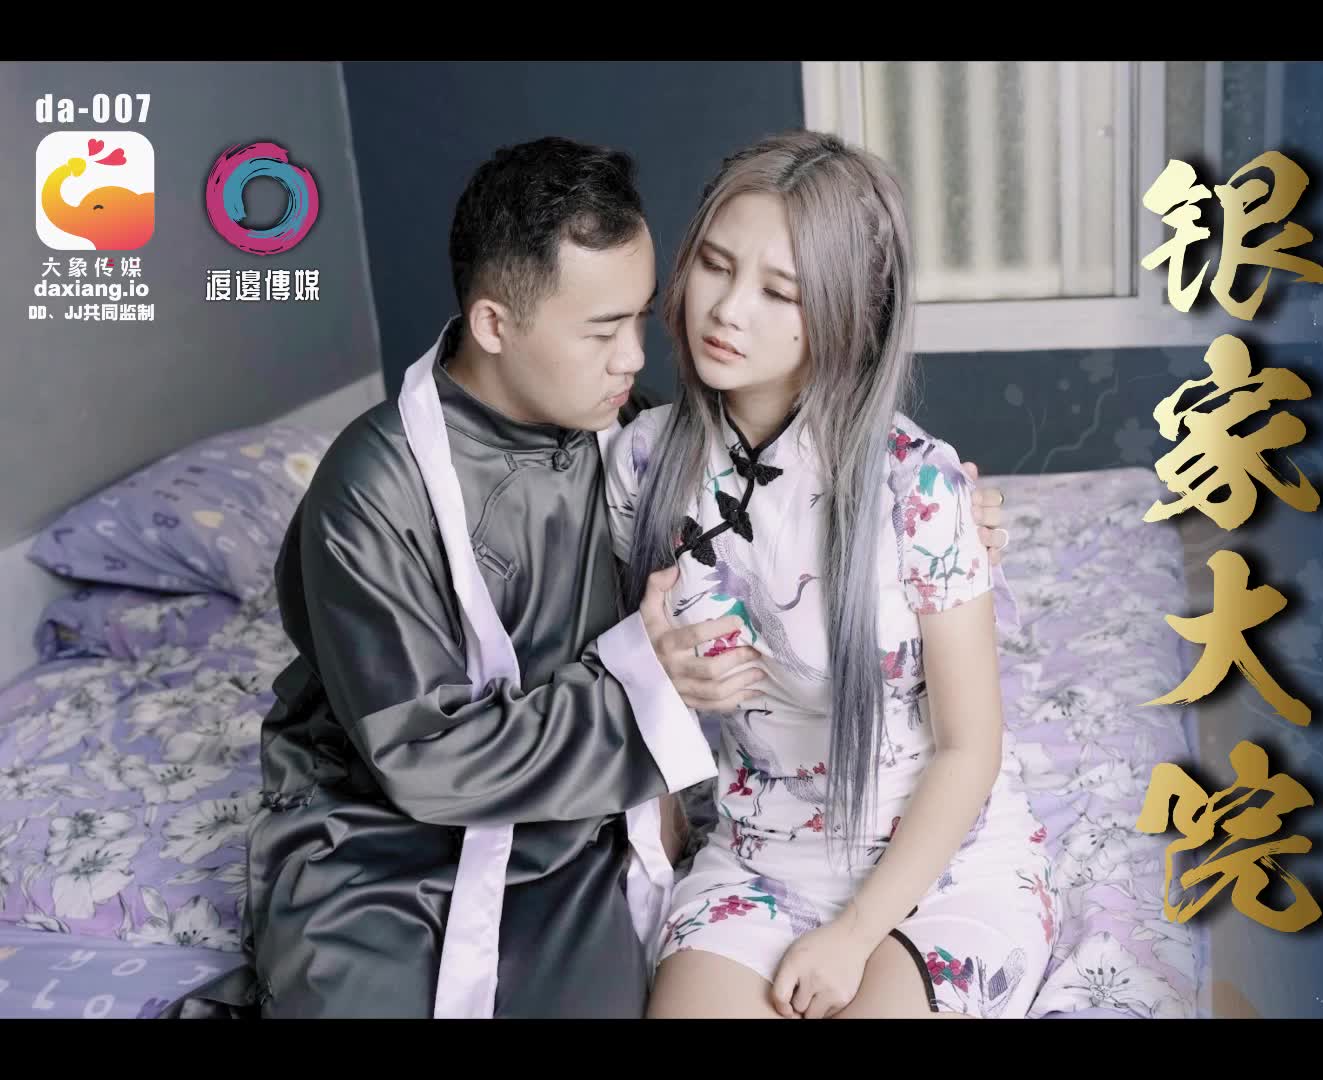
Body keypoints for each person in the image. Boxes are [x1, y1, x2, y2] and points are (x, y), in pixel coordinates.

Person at [164, 136, 1012, 1019]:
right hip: (393, 836)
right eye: (605, 330)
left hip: (588, 817)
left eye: (640, 319)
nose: (637, 357)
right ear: (496, 326)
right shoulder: (382, 488)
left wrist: (946, 519)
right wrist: (646, 687)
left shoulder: (627, 438)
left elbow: (784, 510)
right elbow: (421, 750)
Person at [608, 131, 1057, 1020]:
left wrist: (853, 937)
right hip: (754, 859)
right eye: (716, 266)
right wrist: (649, 672)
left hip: (941, 868)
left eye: (779, 292)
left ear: (848, 315)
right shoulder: (644, 463)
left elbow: (970, 748)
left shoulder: (918, 486)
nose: (726, 309)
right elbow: (623, 698)